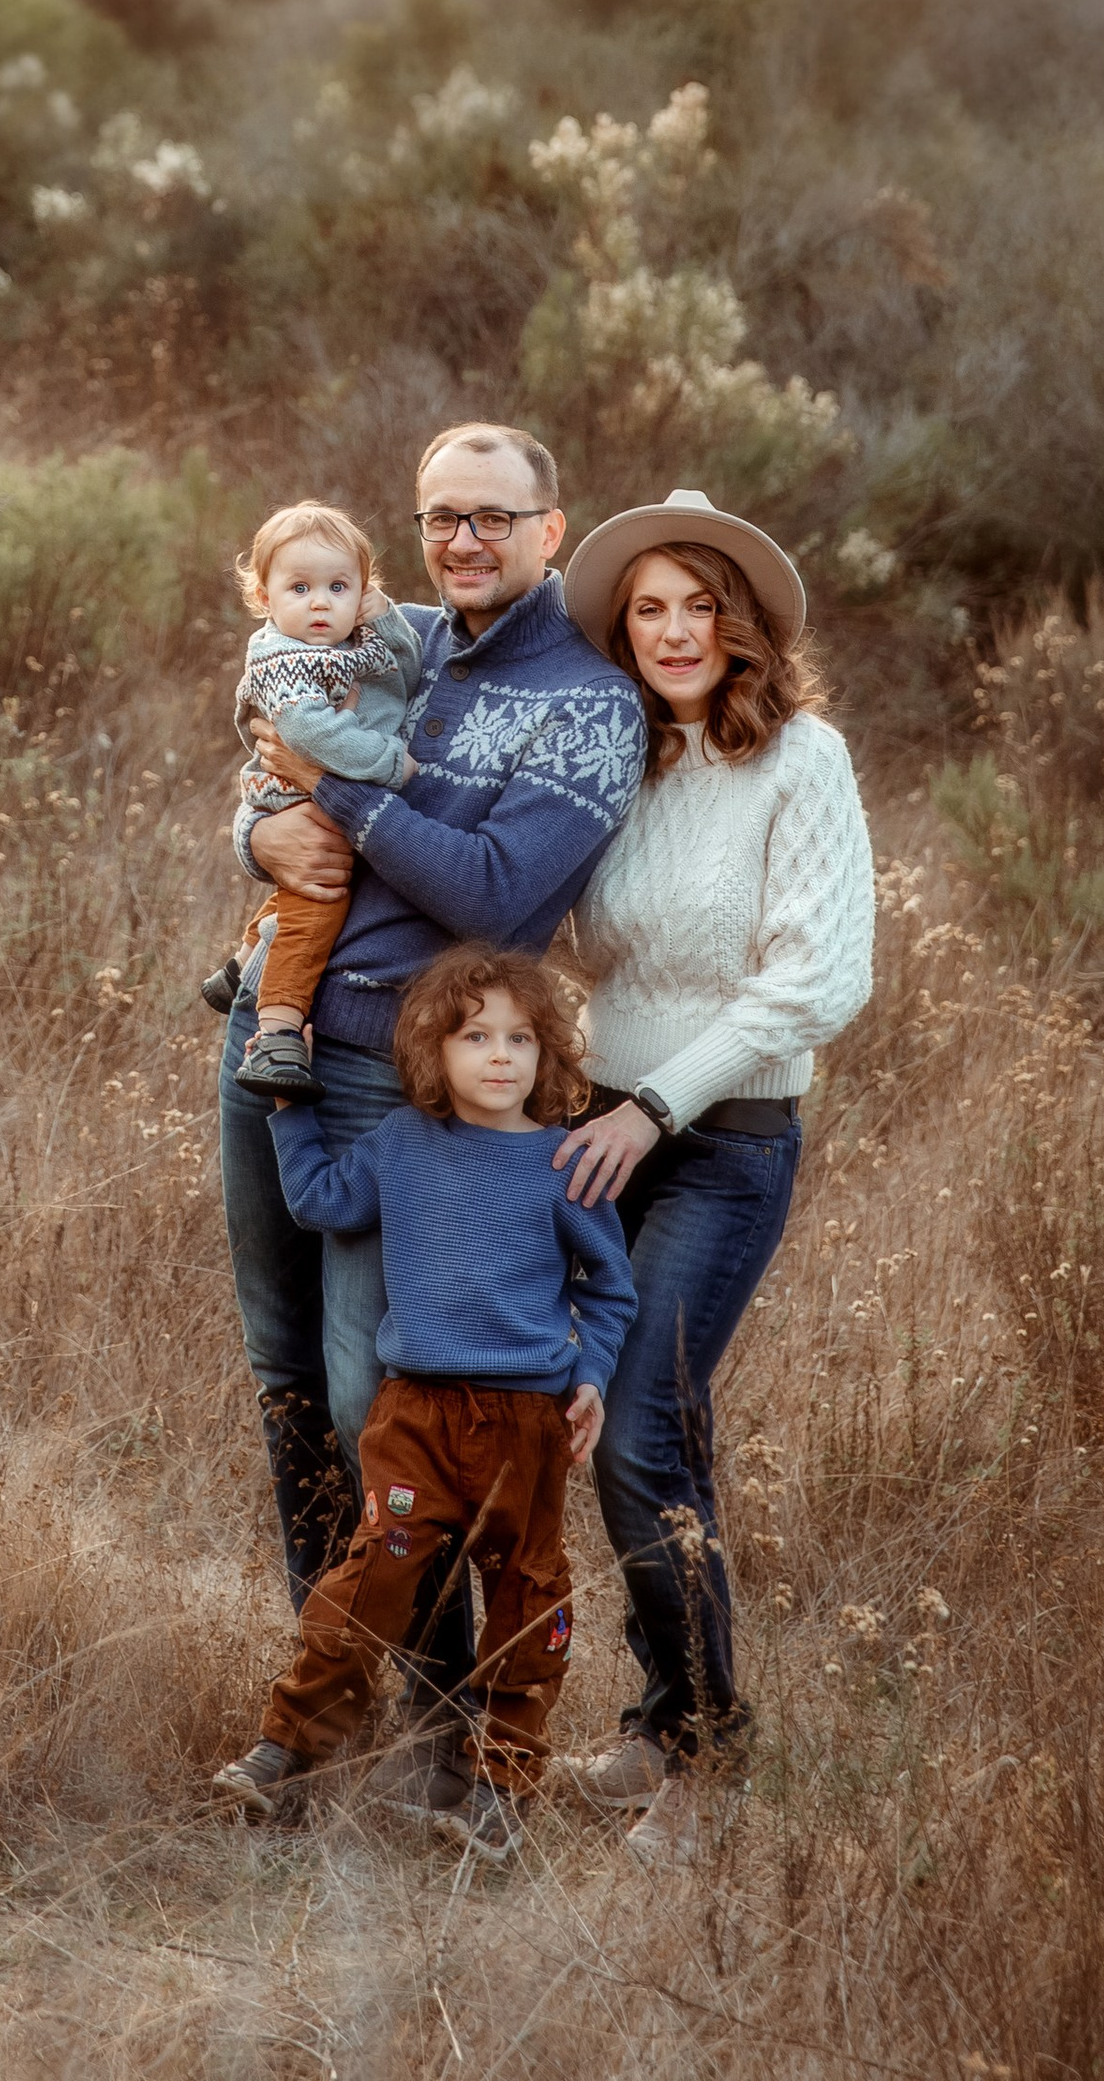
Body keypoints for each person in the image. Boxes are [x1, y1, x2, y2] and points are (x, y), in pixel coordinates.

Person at [219, 421, 645, 1808]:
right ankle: (329, 1708)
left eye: (493, 518)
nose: (463, 541)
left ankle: (450, 1724)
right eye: (442, 517)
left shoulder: (587, 705)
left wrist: (329, 784)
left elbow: (496, 894)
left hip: (392, 1078)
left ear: (551, 529)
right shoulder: (395, 638)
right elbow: (264, 710)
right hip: (273, 1037)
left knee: (375, 1404)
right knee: (285, 1374)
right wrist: (256, 825)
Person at [550, 485, 875, 1869]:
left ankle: (705, 1757)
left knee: (640, 1430)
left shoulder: (799, 760)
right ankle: (658, 1711)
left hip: (721, 1145)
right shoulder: (622, 762)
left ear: (742, 626)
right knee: (620, 1436)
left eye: (699, 607)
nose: (675, 631)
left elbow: (819, 980)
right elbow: (592, 954)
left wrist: (659, 1102)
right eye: (648, 611)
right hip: (596, 1128)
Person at [212, 942, 637, 1861]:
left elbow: (610, 1288)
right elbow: (324, 1201)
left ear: (548, 1053)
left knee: (528, 1602)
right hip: (415, 1418)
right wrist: (290, 1104)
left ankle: (500, 1788)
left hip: (527, 1424)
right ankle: (285, 1752)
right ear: (431, 1054)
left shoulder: (564, 1163)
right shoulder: (402, 1144)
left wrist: (592, 1373)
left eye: (521, 1037)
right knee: (372, 1580)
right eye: (474, 1035)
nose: (499, 1055)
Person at [201, 501, 423, 1098]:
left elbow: (402, 670)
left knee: (299, 893)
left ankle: (244, 963)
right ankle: (276, 1032)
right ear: (265, 598)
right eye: (300, 587)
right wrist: (388, 765)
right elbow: (310, 734)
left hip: (321, 797)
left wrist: (386, 618)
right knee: (316, 903)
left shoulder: (349, 642)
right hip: (293, 799)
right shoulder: (283, 658)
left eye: (338, 587)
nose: (320, 602)